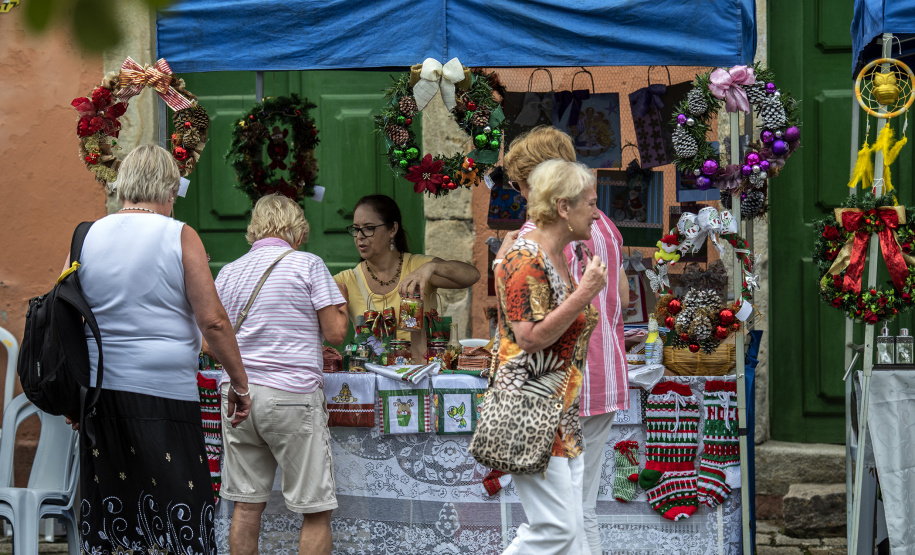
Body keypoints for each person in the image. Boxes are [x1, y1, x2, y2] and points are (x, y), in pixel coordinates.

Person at [72, 144, 251, 554]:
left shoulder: (85, 236)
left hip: (101, 393)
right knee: (180, 510)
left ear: (123, 187)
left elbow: (68, 321)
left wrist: (73, 393)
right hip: (165, 393)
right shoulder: (178, 234)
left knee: (114, 512)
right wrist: (240, 383)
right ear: (169, 189)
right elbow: (214, 321)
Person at [499, 126, 629, 555]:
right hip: (597, 372)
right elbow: (624, 298)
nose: (520, 194)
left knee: (571, 515)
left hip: (568, 380)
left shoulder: (550, 233)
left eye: (521, 184)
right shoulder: (602, 224)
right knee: (572, 513)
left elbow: (532, 332)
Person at [213, 194, 348, 555]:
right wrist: (343, 305)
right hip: (292, 397)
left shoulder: (229, 271)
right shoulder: (308, 264)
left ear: (253, 230)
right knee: (315, 509)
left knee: (246, 504)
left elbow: (210, 339)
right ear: (299, 232)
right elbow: (335, 333)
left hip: (238, 396)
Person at [334, 194, 480, 352]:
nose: (360, 236)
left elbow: (472, 275)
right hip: (373, 373)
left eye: (369, 228)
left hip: (422, 371)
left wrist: (433, 267)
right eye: (356, 229)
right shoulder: (345, 281)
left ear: (393, 229)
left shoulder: (418, 267)